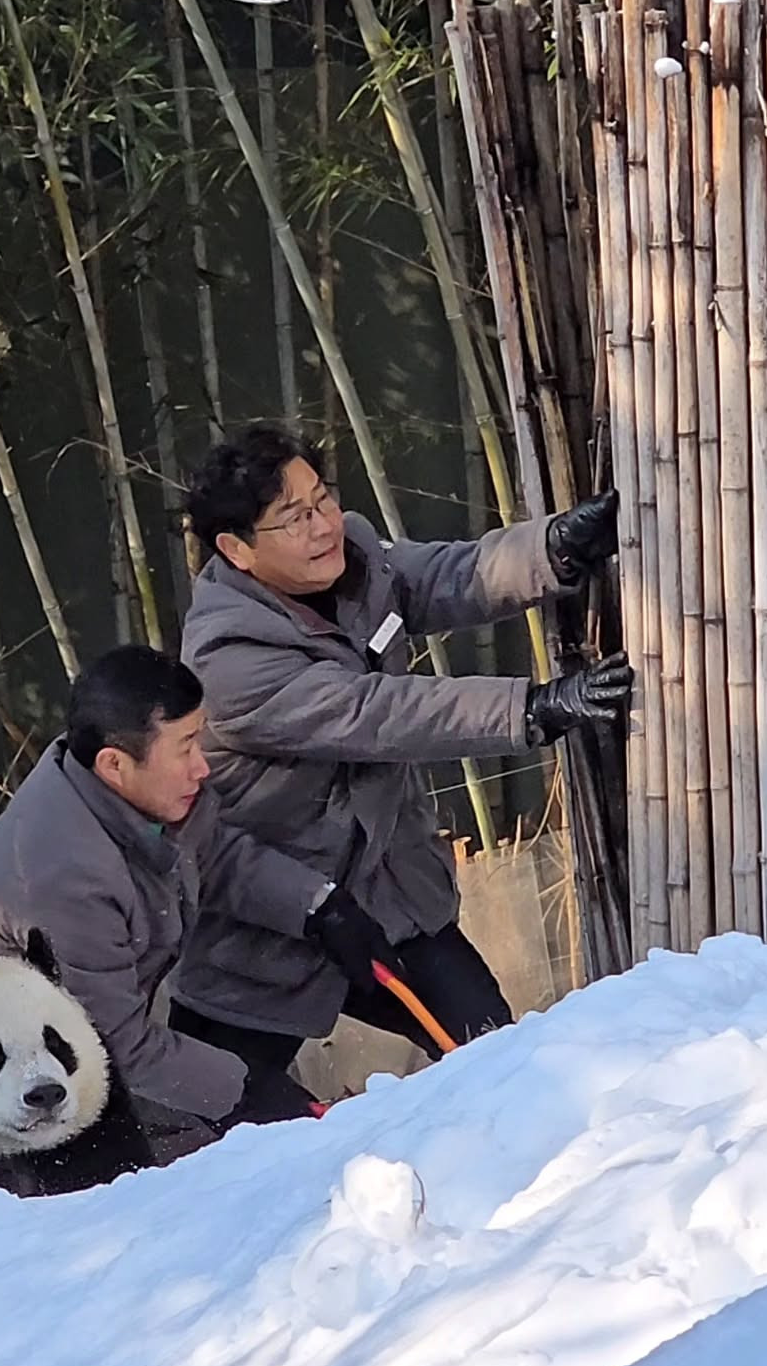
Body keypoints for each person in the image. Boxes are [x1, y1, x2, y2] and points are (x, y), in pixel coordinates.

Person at [173, 423, 632, 1074]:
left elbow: (445, 576)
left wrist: (553, 549)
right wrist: (531, 708)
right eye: (293, 517)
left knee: (495, 1057)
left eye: (322, 498)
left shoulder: (354, 552)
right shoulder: (229, 660)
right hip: (267, 927)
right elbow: (380, 714)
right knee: (226, 1130)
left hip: (387, 896)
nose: (323, 524)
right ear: (237, 548)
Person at [0, 646, 343, 1156]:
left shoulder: (119, 788)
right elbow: (116, 1044)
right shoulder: (63, 877)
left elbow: (215, 857)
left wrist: (318, 904)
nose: (203, 767)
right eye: (187, 746)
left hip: (56, 1073)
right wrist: (243, 1088)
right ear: (115, 764)